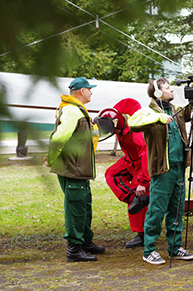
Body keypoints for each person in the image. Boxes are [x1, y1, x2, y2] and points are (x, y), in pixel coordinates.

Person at [128, 78, 193, 265]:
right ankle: (149, 250)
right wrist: (159, 118)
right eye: (167, 88)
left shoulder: (176, 110)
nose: (172, 90)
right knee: (157, 210)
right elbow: (133, 122)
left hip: (179, 167)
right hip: (163, 169)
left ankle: (175, 247)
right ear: (157, 93)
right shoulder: (148, 112)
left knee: (177, 210)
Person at [45, 77, 105, 262]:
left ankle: (85, 242)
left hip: (80, 169)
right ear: (81, 91)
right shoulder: (72, 110)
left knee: (84, 205)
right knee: (76, 209)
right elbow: (59, 138)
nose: (91, 92)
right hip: (72, 169)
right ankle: (74, 249)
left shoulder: (78, 110)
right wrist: (51, 158)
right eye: (89, 89)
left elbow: (84, 137)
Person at [95, 98, 150, 249]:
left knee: (140, 193)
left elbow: (145, 154)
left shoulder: (135, 130)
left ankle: (143, 235)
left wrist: (143, 181)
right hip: (130, 161)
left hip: (141, 163)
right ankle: (133, 197)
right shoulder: (120, 123)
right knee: (111, 174)